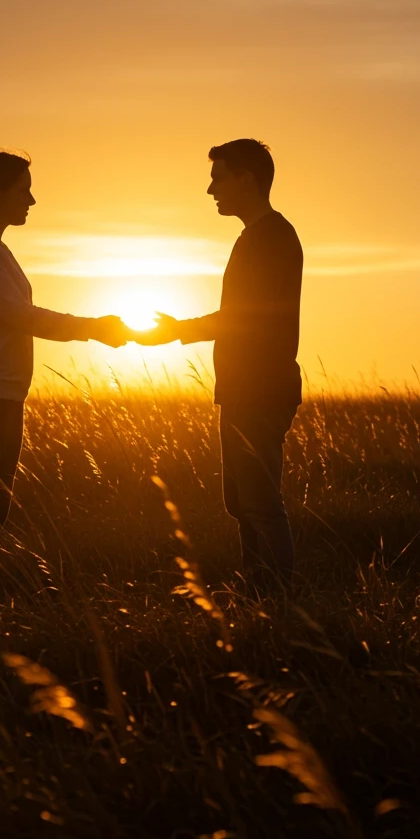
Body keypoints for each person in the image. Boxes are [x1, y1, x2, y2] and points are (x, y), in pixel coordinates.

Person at [0, 149, 130, 587]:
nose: (32, 200)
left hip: (2, 395)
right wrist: (93, 328)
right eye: (24, 190)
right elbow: (21, 316)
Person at [138, 139, 303, 591]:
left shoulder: (272, 237)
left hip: (260, 389)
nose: (211, 189)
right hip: (244, 389)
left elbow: (243, 317)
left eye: (218, 178)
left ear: (246, 180)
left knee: (260, 503)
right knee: (243, 503)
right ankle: (259, 591)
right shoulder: (256, 237)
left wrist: (178, 330)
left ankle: (276, 599)